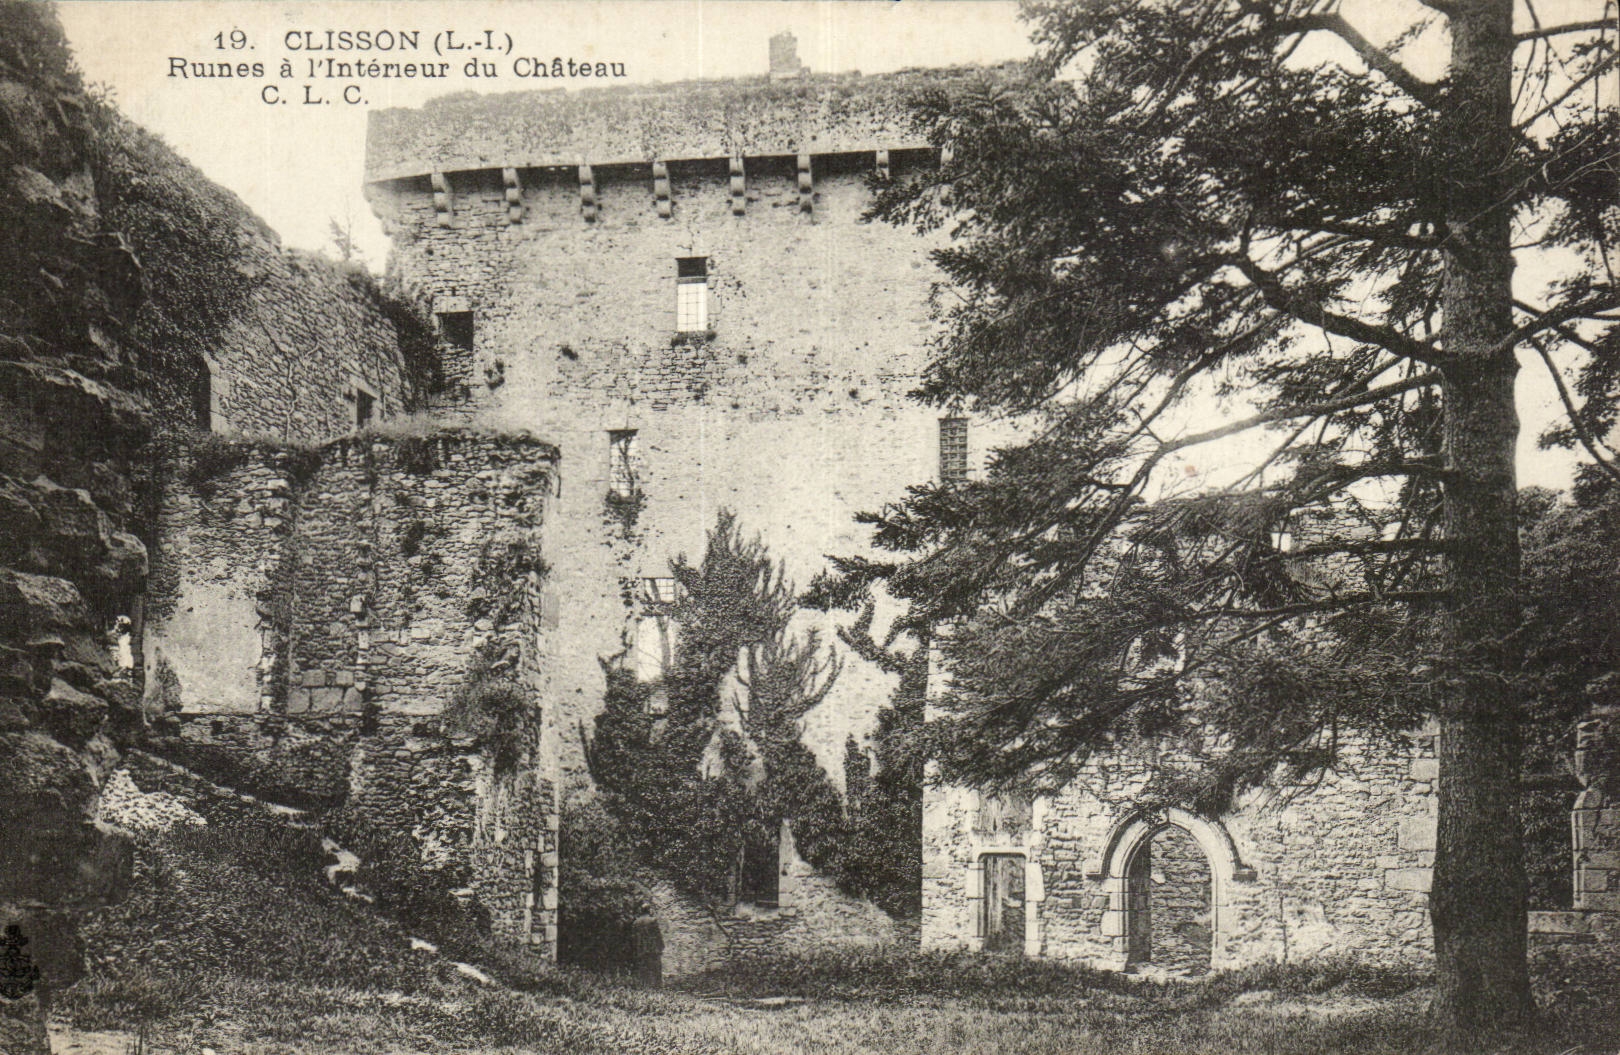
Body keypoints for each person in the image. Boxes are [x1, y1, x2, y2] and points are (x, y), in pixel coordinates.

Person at [631, 901, 663, 988]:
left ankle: (643, 985)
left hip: (640, 948)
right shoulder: (652, 920)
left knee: (643, 966)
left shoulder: (636, 922)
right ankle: (656, 985)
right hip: (652, 947)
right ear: (649, 910)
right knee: (655, 967)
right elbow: (657, 935)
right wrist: (661, 946)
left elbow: (633, 937)